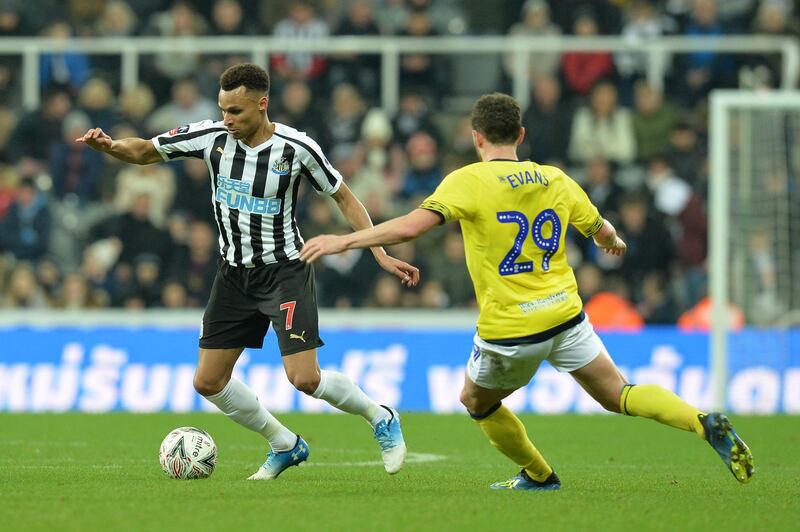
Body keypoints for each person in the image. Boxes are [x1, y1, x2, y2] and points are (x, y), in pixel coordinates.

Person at [299, 93, 754, 490]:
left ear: (477, 137)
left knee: (475, 401)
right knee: (619, 393)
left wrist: (347, 239)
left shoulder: (468, 180)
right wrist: (612, 242)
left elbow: (413, 227)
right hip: (566, 316)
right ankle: (700, 421)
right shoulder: (555, 179)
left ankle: (538, 474)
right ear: (520, 134)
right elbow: (602, 229)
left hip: (512, 329)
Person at [76, 63, 418, 480]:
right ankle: (285, 444)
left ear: (262, 104)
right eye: (223, 110)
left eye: (236, 111)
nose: (227, 120)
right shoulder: (211, 137)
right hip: (234, 274)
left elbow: (344, 198)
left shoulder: (297, 149)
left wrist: (379, 252)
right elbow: (146, 150)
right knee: (208, 381)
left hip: (285, 272)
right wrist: (110, 146)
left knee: (304, 379)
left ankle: (379, 415)